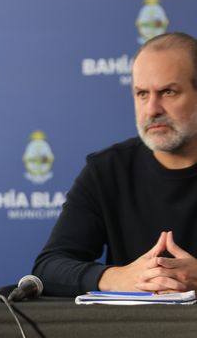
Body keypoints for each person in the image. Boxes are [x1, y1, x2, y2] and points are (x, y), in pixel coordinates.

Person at [33, 32, 197, 296]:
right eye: (142, 94)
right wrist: (120, 277)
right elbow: (48, 267)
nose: (152, 109)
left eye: (168, 92)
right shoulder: (107, 170)